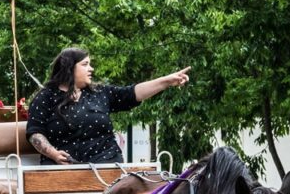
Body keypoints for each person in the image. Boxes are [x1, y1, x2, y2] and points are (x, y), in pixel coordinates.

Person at [26, 47, 191, 164]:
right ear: (69, 68)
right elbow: (35, 133)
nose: (91, 69)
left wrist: (167, 81)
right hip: (63, 171)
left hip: (108, 165)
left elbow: (133, 93)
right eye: (85, 64)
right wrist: (54, 154)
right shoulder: (45, 97)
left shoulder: (100, 92)